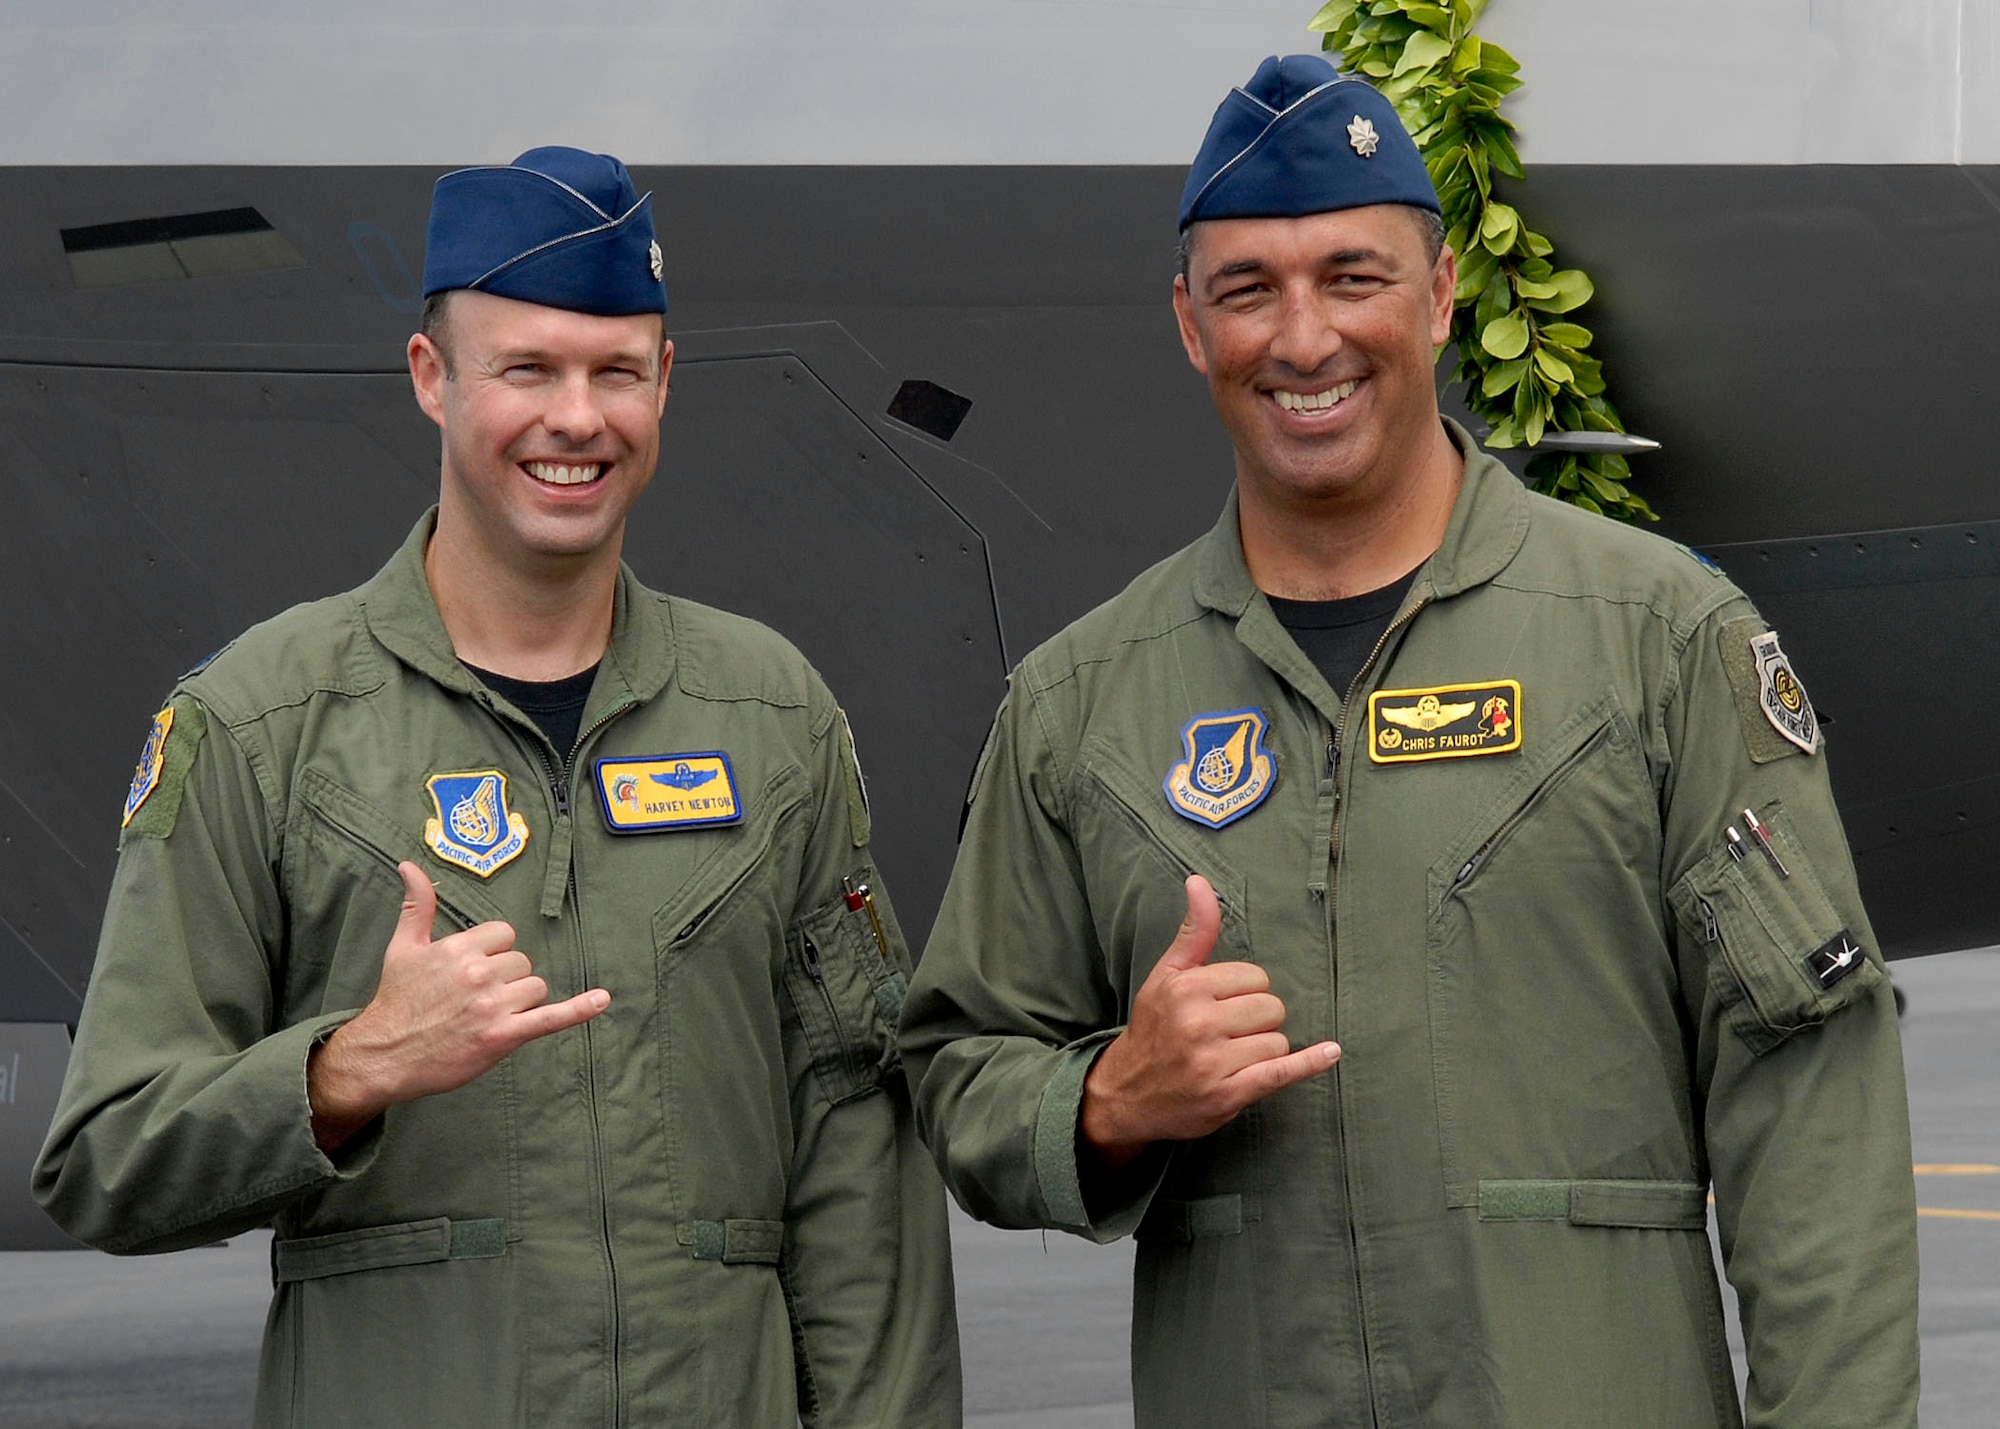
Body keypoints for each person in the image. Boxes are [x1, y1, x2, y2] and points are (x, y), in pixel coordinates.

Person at [900, 55, 1917, 1429]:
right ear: (1192, 326)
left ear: (1438, 297)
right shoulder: (1087, 702)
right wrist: (1106, 1100)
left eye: (1353, 276)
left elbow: (1813, 1108)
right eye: (1249, 289)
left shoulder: (1657, 642)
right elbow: (961, 1060)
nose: (1304, 337)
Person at [35, 146, 961, 1429]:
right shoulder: (262, 723)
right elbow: (103, 1159)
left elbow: (855, 1153)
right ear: (434, 378)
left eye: (613, 371)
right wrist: (343, 1070)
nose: (574, 419)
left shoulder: (771, 716)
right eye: (525, 367)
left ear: (664, 384)